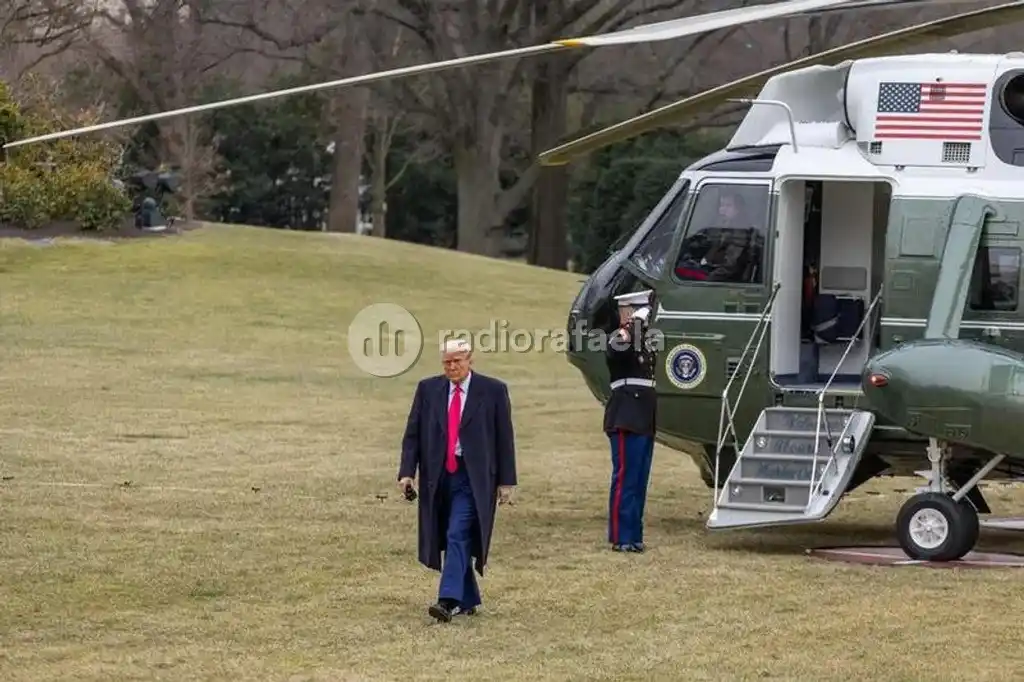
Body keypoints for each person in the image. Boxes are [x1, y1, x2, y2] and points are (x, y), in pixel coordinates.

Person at [397, 338, 517, 622]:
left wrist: (507, 481)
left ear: (470, 360)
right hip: (438, 476)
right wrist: (406, 472)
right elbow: (412, 433)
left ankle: (447, 600)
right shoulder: (428, 390)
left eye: (457, 361)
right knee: (447, 534)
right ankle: (468, 598)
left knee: (457, 532)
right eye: (447, 362)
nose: (452, 367)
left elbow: (504, 437)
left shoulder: (493, 390)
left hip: (473, 478)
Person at [604, 289, 658, 553]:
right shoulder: (619, 338)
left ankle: (634, 535)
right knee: (625, 478)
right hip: (626, 414)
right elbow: (617, 350)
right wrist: (633, 324)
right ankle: (621, 537)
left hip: (644, 416)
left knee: (639, 479)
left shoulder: (645, 342)